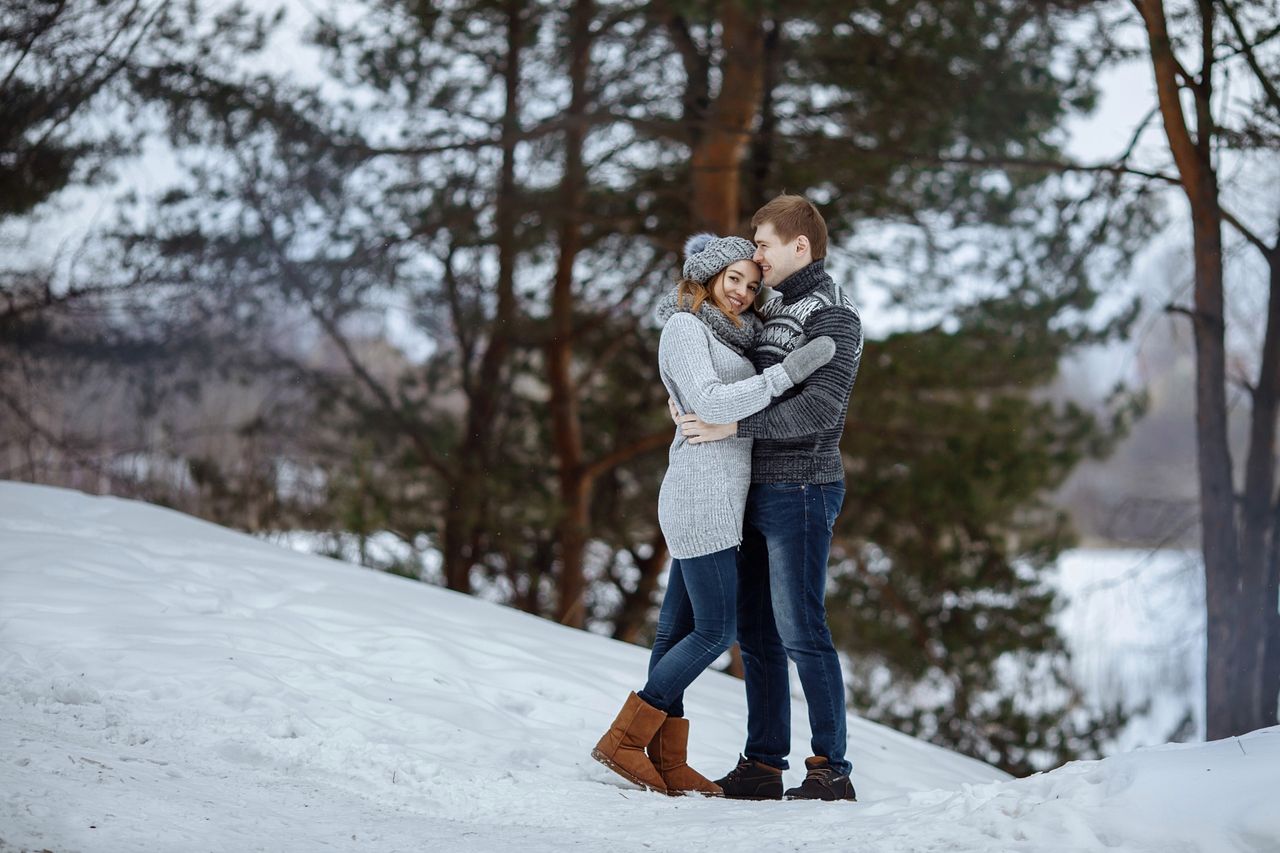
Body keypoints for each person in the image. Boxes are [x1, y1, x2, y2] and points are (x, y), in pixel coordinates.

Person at [591, 233, 836, 796]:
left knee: (674, 631)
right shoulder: (685, 327)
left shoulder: (732, 335)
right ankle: (624, 741)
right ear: (708, 275)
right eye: (733, 279)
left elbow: (715, 398)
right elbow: (712, 403)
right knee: (716, 629)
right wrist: (786, 374)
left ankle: (665, 758)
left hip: (722, 499)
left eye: (752, 284)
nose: (743, 293)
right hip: (700, 498)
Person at [675, 195, 863, 801]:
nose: (755, 257)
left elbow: (820, 408)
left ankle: (831, 770)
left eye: (763, 245)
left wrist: (732, 427)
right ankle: (762, 765)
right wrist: (684, 395)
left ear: (799, 246)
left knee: (802, 628)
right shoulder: (772, 307)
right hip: (752, 486)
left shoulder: (834, 314)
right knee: (757, 635)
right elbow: (727, 368)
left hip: (802, 487)